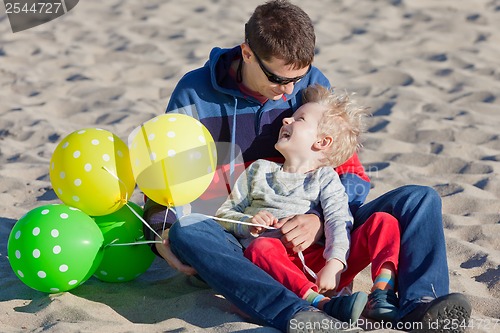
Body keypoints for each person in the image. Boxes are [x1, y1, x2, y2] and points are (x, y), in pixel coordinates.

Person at [143, 0, 472, 332]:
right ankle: (298, 313)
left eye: (296, 79)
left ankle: (423, 306)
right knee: (188, 231)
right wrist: (161, 231)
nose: (288, 92)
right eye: (278, 78)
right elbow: (163, 173)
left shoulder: (309, 83)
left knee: (419, 199)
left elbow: (351, 174)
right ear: (246, 53)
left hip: (320, 229)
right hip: (245, 237)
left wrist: (319, 220)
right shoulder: (193, 94)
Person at [216, 84, 401, 323]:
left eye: (299, 119)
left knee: (383, 222)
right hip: (275, 263)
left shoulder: (326, 177)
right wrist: (247, 222)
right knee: (261, 247)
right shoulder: (259, 170)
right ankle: (320, 303)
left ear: (322, 142)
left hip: (320, 261)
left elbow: (338, 220)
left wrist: (334, 264)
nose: (286, 121)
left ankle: (382, 293)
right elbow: (224, 213)